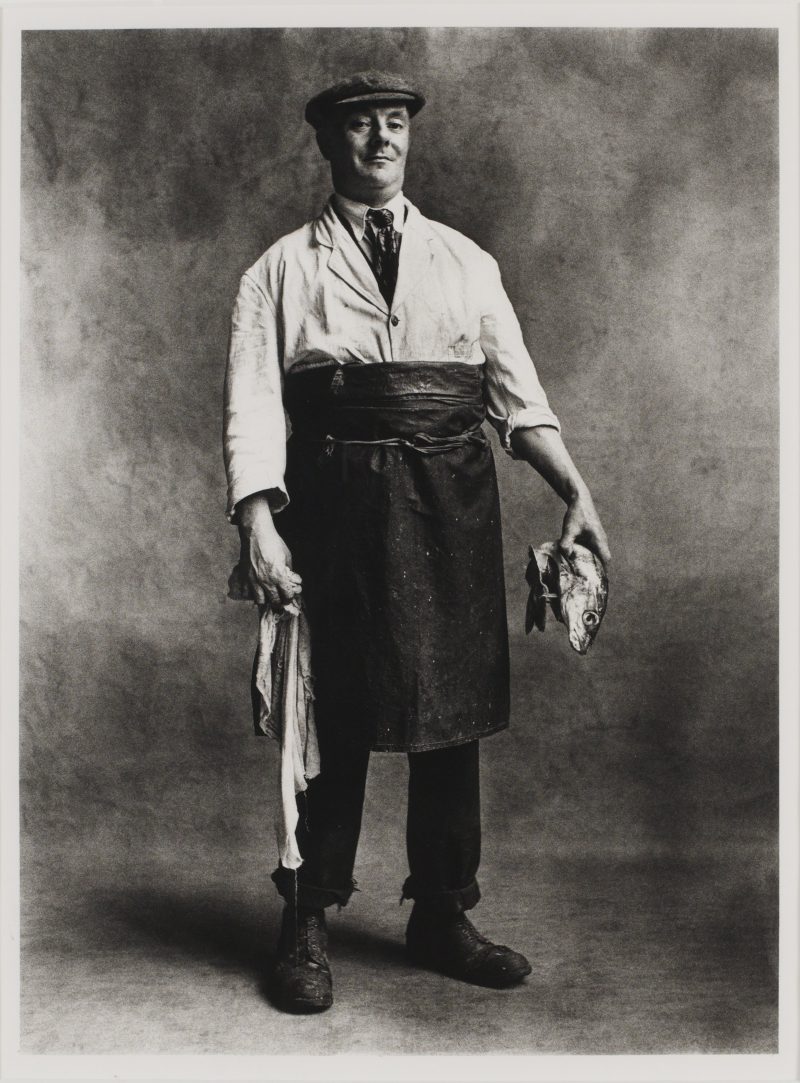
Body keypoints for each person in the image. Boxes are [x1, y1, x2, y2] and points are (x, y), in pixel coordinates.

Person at [223, 71, 610, 1014]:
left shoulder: (467, 262)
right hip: (336, 515)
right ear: (327, 143)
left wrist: (579, 493)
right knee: (335, 715)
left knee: (449, 719)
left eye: (394, 124)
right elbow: (252, 411)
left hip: (452, 509)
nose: (381, 141)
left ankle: (441, 910)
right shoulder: (280, 270)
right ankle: (308, 915)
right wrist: (259, 524)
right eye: (361, 127)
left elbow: (519, 401)